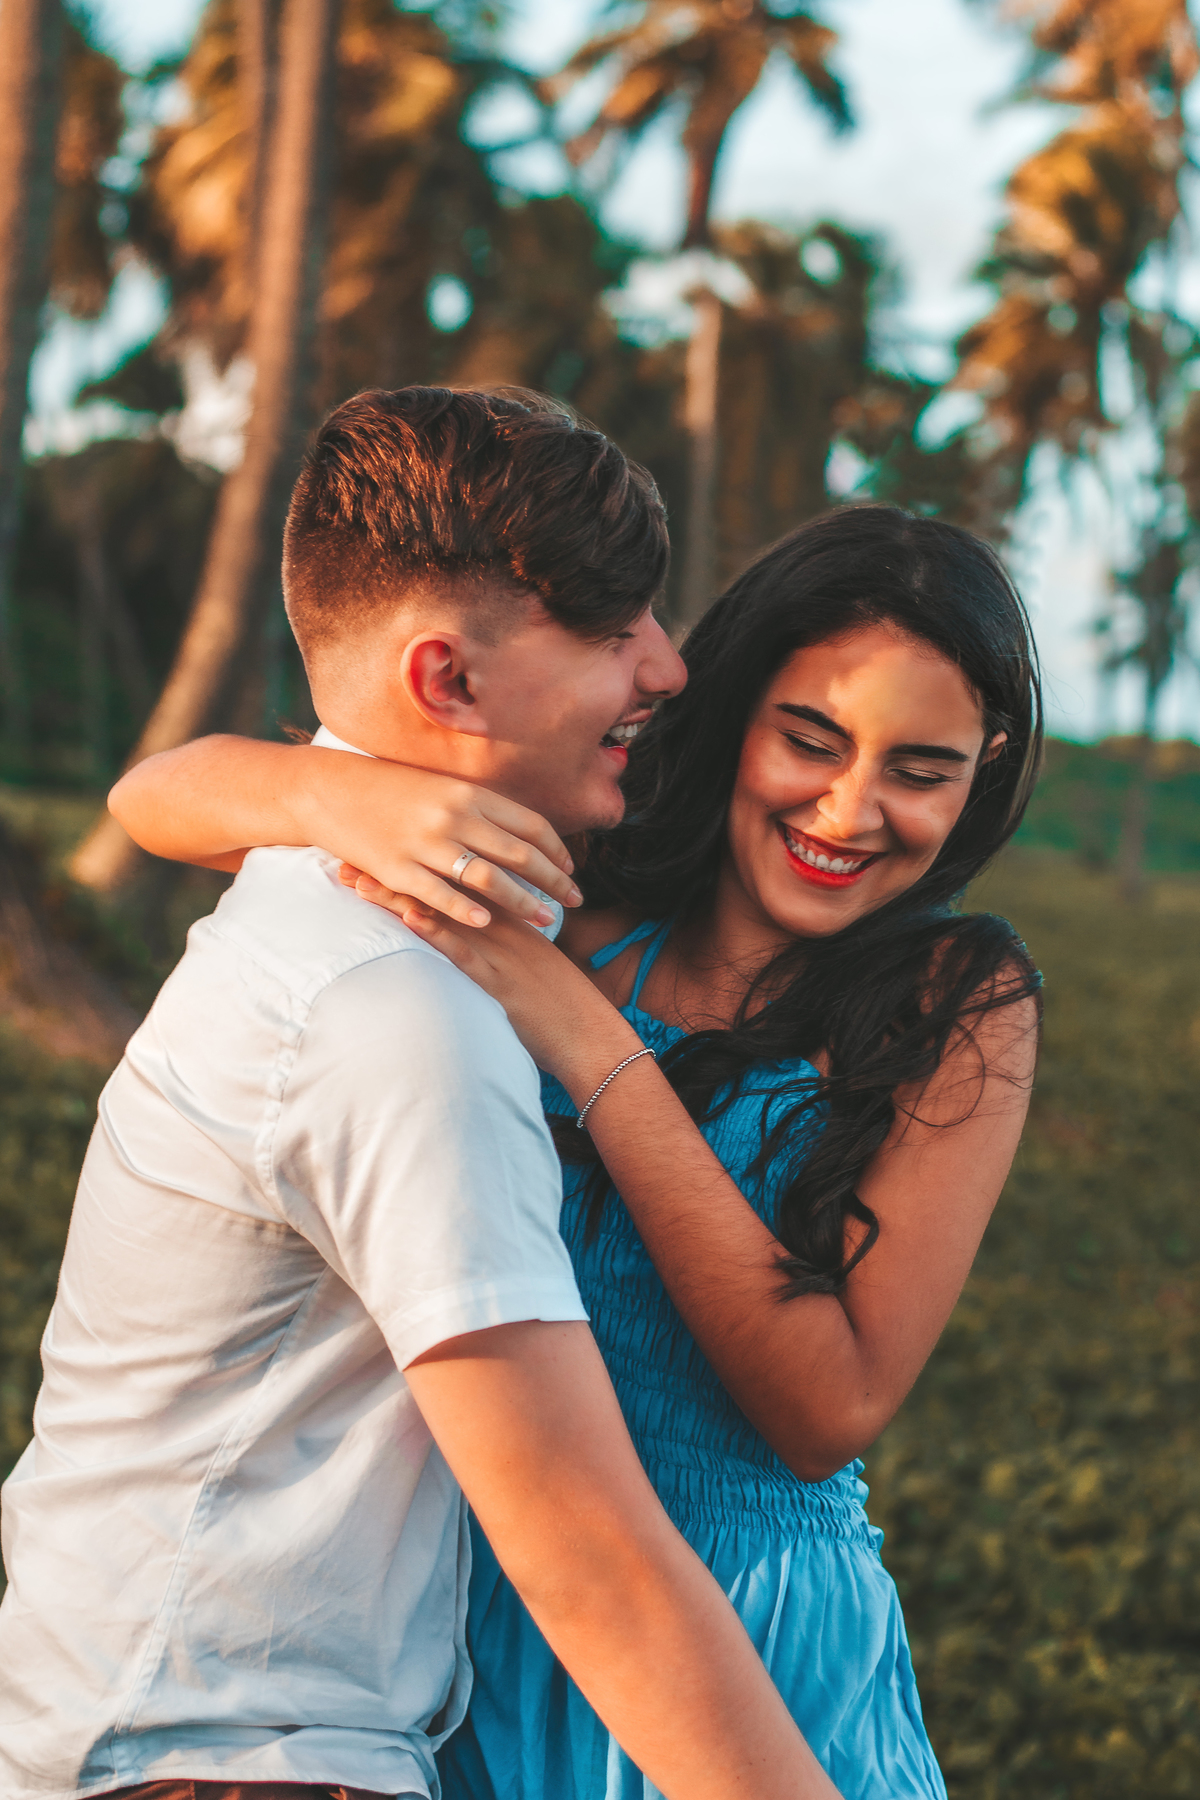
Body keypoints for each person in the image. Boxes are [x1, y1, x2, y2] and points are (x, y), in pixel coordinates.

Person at [112, 499, 1044, 1800]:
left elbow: (827, 1408)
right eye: (810, 740)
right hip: (468, 1614)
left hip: (751, 1643)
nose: (848, 809)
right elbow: (156, 795)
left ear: (987, 762)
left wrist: (586, 1038)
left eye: (921, 769)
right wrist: (338, 796)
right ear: (735, 714)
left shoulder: (957, 999)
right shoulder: (580, 878)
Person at [0, 387, 846, 1800]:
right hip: (219, 1762)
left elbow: (166, 792)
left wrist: (332, 794)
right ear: (447, 682)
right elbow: (586, 1552)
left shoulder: (335, 882)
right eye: (614, 624)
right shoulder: (391, 1013)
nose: (669, 666)